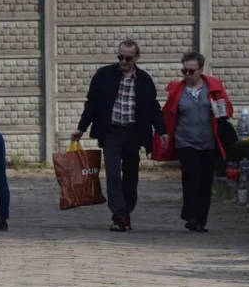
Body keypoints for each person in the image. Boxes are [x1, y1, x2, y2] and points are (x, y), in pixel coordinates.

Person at [70, 39, 167, 232]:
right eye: (120, 56)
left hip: (133, 132)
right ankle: (119, 215)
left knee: (130, 176)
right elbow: (92, 104)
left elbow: (153, 108)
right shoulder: (104, 75)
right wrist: (81, 128)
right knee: (113, 174)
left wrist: (162, 131)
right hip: (111, 131)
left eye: (128, 58)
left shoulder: (145, 80)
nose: (123, 61)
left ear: (136, 58)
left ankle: (127, 209)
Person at [159, 52, 234, 233]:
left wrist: (220, 108)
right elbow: (168, 114)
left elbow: (228, 110)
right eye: (184, 70)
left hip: (209, 142)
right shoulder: (178, 91)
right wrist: (164, 134)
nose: (187, 74)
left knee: (205, 181)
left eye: (191, 71)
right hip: (185, 140)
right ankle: (190, 215)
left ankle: (200, 221)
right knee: (191, 177)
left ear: (200, 70)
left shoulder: (214, 89)